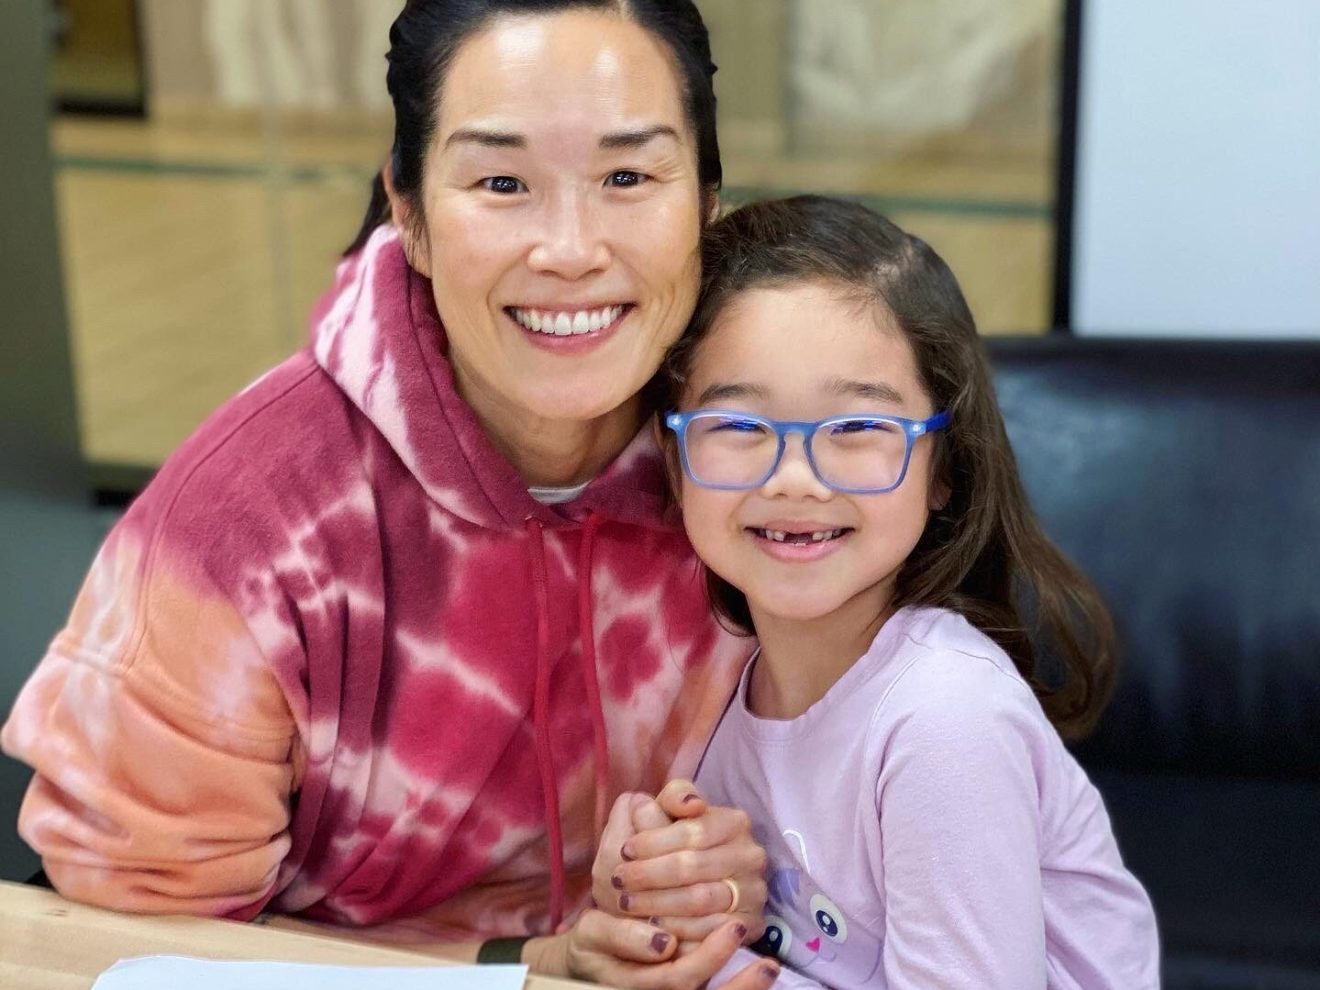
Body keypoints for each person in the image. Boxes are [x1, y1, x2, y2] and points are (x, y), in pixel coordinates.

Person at [0, 3, 780, 987]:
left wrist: (740, 875)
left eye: (628, 176)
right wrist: (530, 966)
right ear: (407, 214)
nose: (572, 249)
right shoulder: (248, 524)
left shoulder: (765, 452)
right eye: (502, 182)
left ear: (707, 201)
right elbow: (114, 945)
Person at [655, 196, 1161, 988]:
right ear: (672, 453)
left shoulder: (943, 715)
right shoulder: (718, 682)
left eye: (857, 429)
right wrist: (658, 886)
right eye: (740, 426)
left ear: (945, 469)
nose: (796, 478)